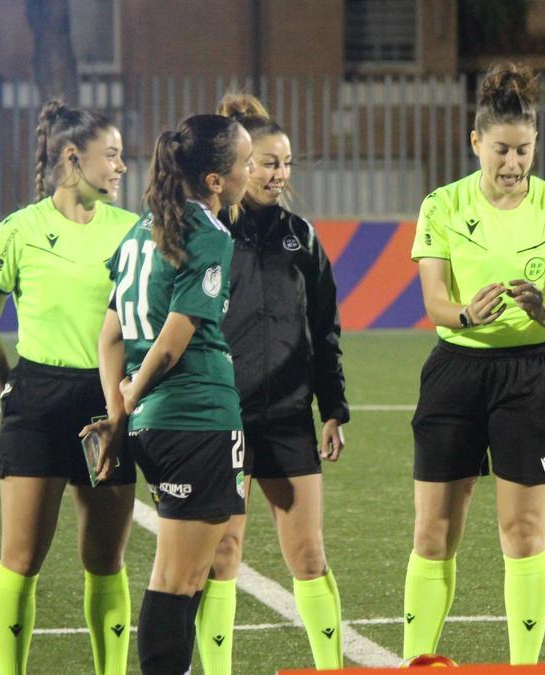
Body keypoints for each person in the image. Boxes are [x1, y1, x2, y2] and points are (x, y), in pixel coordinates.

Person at [405, 62, 545, 664]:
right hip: (454, 372)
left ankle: (523, 664)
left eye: (525, 151)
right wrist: (465, 316)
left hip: (529, 377)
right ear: (475, 142)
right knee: (433, 531)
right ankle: (419, 662)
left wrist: (543, 311)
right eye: (502, 150)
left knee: (523, 531)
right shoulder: (442, 205)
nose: (513, 164)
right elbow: (433, 300)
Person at [0, 100, 138, 675]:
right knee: (21, 557)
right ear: (72, 157)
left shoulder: (133, 232)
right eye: (111, 155)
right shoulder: (20, 229)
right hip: (36, 402)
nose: (121, 166)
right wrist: (12, 389)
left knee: (105, 559)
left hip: (108, 403)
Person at [83, 113, 254, 674]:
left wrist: (120, 413)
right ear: (214, 180)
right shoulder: (206, 233)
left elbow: (110, 335)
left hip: (158, 424)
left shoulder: (139, 230)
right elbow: (175, 339)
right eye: (245, 164)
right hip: (195, 418)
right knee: (177, 581)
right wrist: (126, 406)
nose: (250, 172)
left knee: (183, 573)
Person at [186, 93, 349, 674]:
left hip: (286, 415)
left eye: (286, 164)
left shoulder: (301, 237)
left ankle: (331, 668)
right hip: (219, 417)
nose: (280, 174)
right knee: (223, 555)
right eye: (268, 162)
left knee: (308, 554)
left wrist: (333, 408)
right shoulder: (207, 234)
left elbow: (324, 328)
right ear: (240, 166)